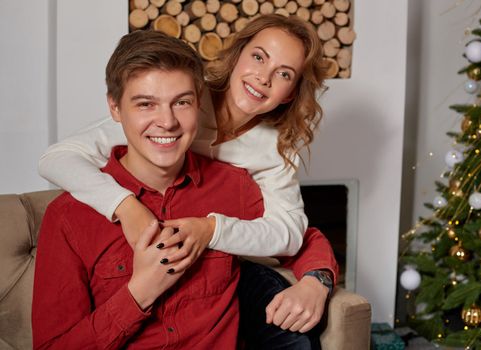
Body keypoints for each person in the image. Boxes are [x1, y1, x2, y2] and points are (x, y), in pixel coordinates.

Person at [38, 14, 336, 345]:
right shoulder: (166, 104)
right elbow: (56, 158)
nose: (166, 122)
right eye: (258, 56)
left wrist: (316, 280)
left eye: (283, 73)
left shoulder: (263, 159)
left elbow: (295, 232)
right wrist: (125, 207)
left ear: (291, 93)